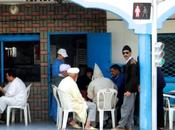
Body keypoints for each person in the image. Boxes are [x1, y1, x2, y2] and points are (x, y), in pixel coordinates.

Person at [113, 45, 139, 130]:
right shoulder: (129, 62)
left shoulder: (132, 63)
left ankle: (121, 126)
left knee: (125, 108)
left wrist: (129, 90)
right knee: (130, 109)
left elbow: (133, 78)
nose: (125, 54)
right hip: (131, 90)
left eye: (127, 52)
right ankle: (129, 126)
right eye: (123, 53)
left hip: (130, 90)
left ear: (130, 52)